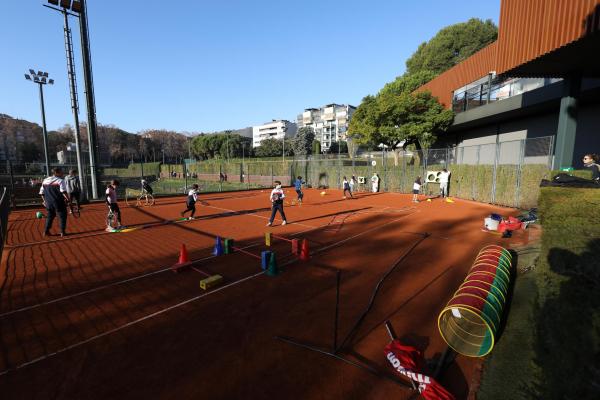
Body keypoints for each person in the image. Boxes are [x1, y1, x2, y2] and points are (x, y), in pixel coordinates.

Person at [39, 167, 69, 237]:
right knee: (62, 216)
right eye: (61, 172)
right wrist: (68, 200)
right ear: (56, 173)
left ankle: (46, 231)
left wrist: (44, 201)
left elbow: (41, 193)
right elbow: (63, 192)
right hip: (59, 202)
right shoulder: (60, 181)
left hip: (49, 203)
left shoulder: (45, 180)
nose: (62, 173)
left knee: (50, 217)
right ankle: (62, 232)